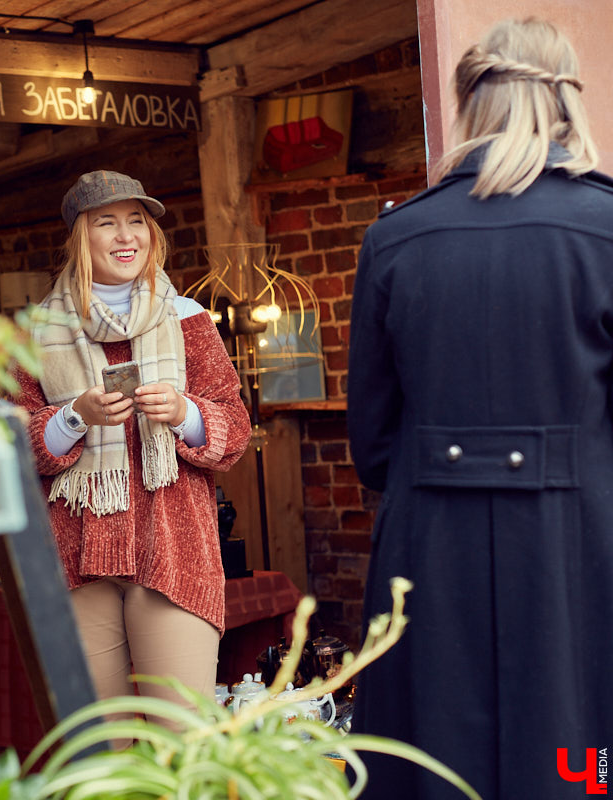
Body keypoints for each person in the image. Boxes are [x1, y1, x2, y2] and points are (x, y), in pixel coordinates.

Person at [347, 18, 613, 800]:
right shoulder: (605, 230)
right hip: (579, 548)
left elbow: (372, 441)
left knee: (430, 764)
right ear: (567, 101)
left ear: (469, 104)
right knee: (582, 760)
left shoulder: (396, 239)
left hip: (429, 555)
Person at [13, 170, 251, 712]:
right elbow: (11, 446)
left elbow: (235, 430)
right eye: (108, 223)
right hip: (75, 564)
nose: (127, 236)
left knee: (181, 739)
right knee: (102, 750)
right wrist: (75, 416)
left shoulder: (188, 320)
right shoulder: (34, 333)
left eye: (137, 222)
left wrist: (184, 412)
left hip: (174, 556)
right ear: (80, 236)